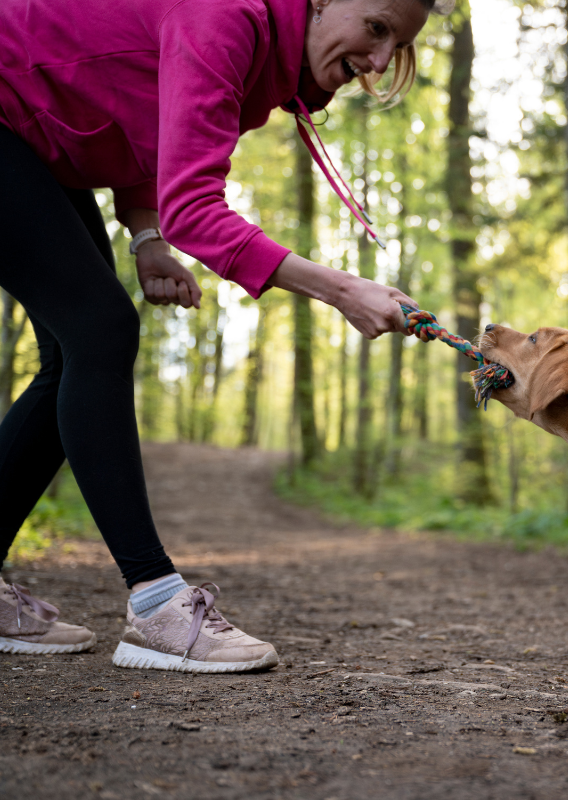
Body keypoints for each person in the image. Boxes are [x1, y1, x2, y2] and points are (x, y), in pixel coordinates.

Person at [0, 0, 443, 672]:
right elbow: (198, 210)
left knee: (78, 343)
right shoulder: (227, 16)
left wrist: (145, 236)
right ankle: (155, 602)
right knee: (98, 331)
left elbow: (137, 121)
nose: (379, 62)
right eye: (377, 29)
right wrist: (344, 290)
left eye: (397, 47)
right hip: (11, 115)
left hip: (32, 136)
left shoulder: (260, 58)